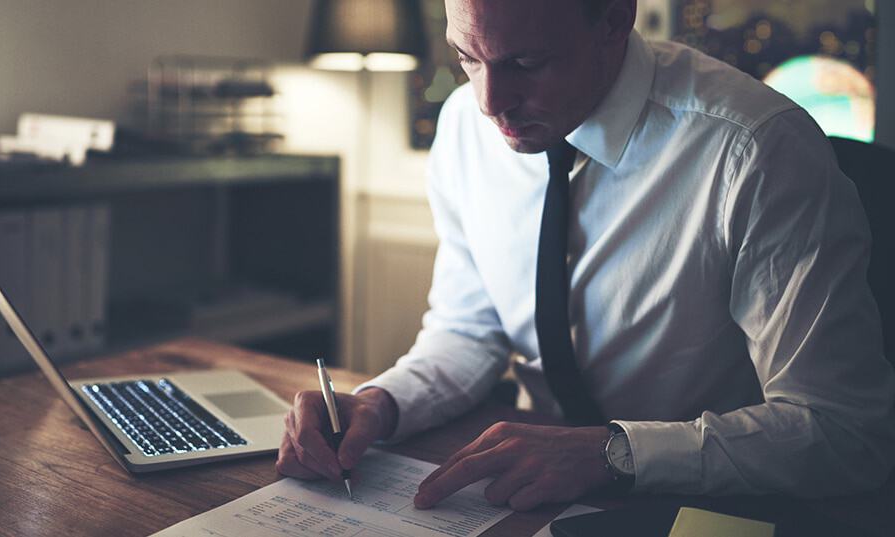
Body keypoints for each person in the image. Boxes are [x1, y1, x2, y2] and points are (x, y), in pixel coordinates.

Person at [277, 0, 895, 511]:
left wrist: (612, 452)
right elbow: (469, 333)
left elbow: (846, 431)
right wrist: (380, 404)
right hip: (533, 496)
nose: (491, 102)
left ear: (612, 21)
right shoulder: (465, 125)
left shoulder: (755, 150)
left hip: (718, 504)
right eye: (468, 58)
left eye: (526, 62)